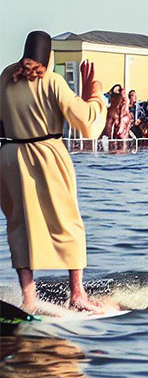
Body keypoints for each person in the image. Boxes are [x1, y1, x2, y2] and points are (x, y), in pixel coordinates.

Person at [0, 30, 109, 312]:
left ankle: (29, 298)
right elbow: (86, 124)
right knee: (68, 223)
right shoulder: (52, 81)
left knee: (19, 226)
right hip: (46, 154)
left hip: (10, 157)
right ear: (49, 57)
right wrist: (94, 94)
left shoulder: (5, 77)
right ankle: (77, 295)